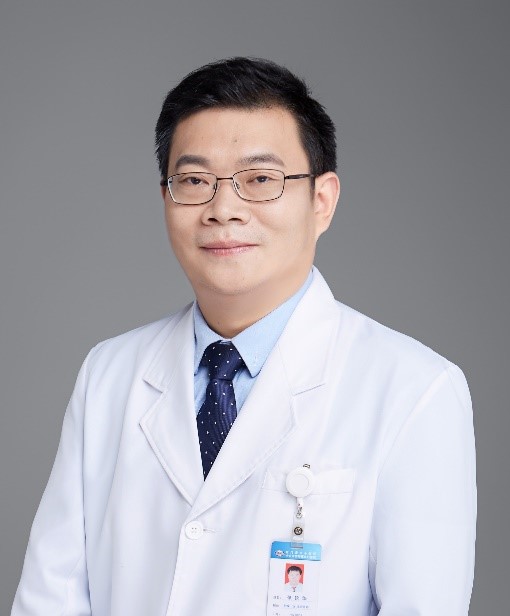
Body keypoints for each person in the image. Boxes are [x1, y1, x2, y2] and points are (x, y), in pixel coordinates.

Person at [12, 57, 476, 615]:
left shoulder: (415, 390)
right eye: (194, 181)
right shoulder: (108, 374)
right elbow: (51, 598)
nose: (224, 209)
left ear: (322, 201)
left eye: (259, 180)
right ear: (166, 198)